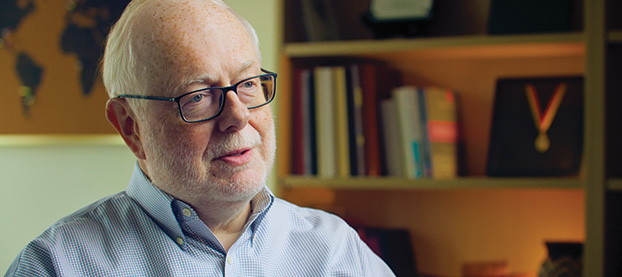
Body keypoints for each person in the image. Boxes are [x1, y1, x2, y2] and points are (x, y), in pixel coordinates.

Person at [6, 0, 395, 276]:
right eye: (197, 96)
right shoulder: (56, 266)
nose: (238, 117)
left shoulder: (337, 252)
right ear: (130, 126)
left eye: (247, 85)